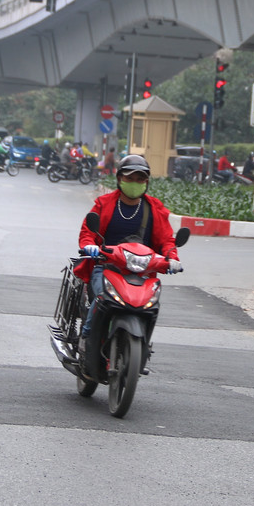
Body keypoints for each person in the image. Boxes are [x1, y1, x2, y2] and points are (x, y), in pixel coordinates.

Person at [75, 154, 181, 380]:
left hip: (141, 272)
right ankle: (86, 337)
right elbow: (88, 233)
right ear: (119, 179)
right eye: (130, 177)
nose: (135, 182)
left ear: (147, 182)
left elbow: (167, 240)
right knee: (101, 297)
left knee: (152, 305)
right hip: (106, 266)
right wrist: (89, 247)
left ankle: (143, 346)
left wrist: (172, 257)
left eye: (140, 178)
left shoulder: (154, 209)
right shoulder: (104, 204)